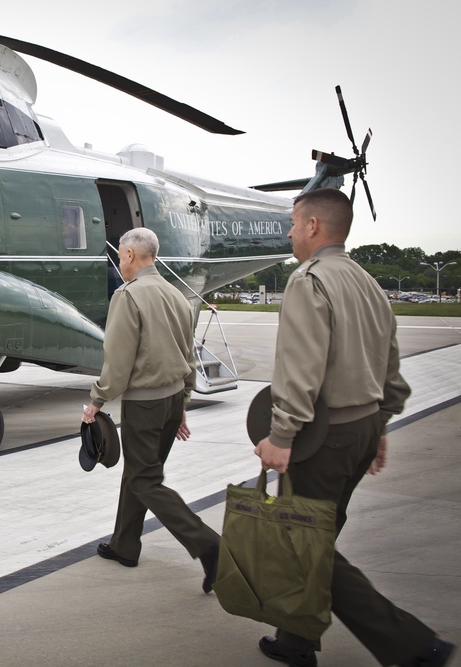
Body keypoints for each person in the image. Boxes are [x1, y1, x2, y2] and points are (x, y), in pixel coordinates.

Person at [253, 188, 454, 667]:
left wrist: (281, 436)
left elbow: (302, 369)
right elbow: (389, 360)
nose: (289, 232)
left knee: (305, 545)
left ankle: (410, 645)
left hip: (325, 439)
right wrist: (380, 423)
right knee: (315, 537)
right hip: (361, 429)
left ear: (313, 227)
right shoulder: (365, 280)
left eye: (293, 223)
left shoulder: (310, 280)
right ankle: (295, 642)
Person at [83, 227, 220, 593]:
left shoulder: (128, 296)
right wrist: (184, 403)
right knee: (141, 473)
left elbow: (118, 361)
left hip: (145, 404)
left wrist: (96, 401)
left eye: (120, 257)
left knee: (145, 479)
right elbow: (188, 356)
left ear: (129, 255)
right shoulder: (177, 295)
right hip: (174, 399)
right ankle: (124, 545)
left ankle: (209, 545)